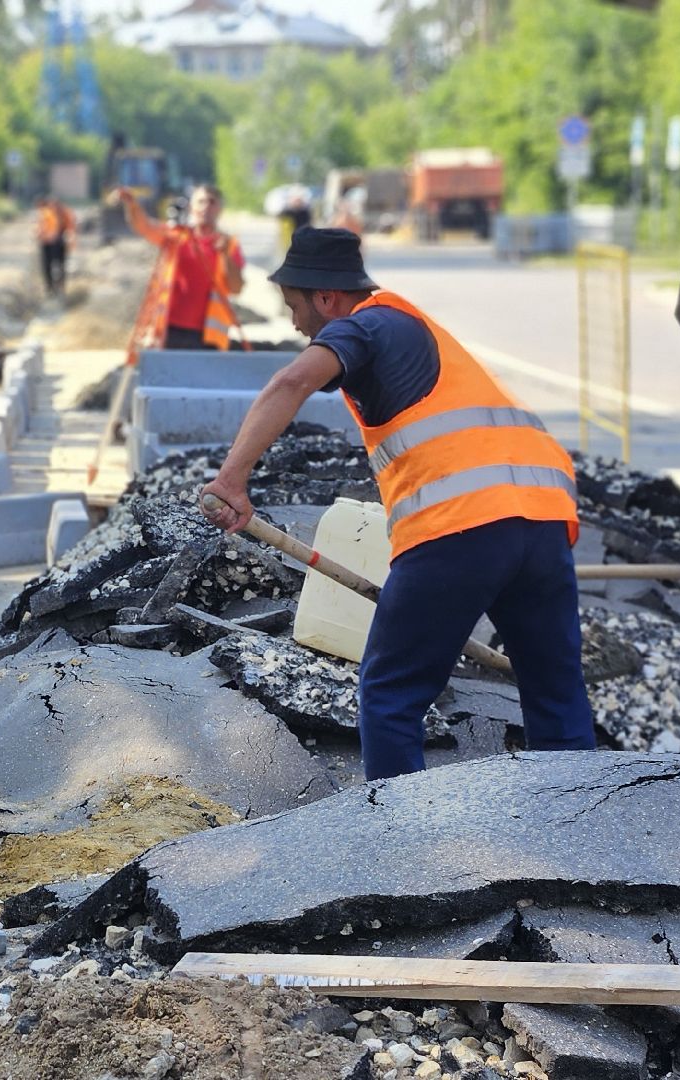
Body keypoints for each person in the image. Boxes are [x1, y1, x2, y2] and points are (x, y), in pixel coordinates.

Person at [195, 228, 596, 781]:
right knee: (556, 696)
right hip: (545, 520)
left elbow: (291, 382)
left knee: (390, 693)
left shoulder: (367, 324)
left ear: (327, 298)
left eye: (294, 307)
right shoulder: (415, 329)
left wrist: (233, 480)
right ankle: (588, 837)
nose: (294, 324)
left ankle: (401, 853)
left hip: (463, 526)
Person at [117, 183, 245, 351]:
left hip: (209, 337)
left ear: (219, 209)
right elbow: (145, 227)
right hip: (170, 330)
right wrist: (132, 205)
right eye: (201, 202)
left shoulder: (229, 244)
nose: (206, 207)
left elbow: (236, 288)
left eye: (212, 202)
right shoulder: (176, 236)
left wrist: (226, 255)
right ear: (192, 208)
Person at [35, 196, 76, 297]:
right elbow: (40, 228)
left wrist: (69, 238)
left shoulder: (65, 213)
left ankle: (60, 287)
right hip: (47, 243)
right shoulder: (46, 214)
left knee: (60, 265)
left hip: (59, 243)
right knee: (47, 266)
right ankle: (50, 288)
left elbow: (70, 227)